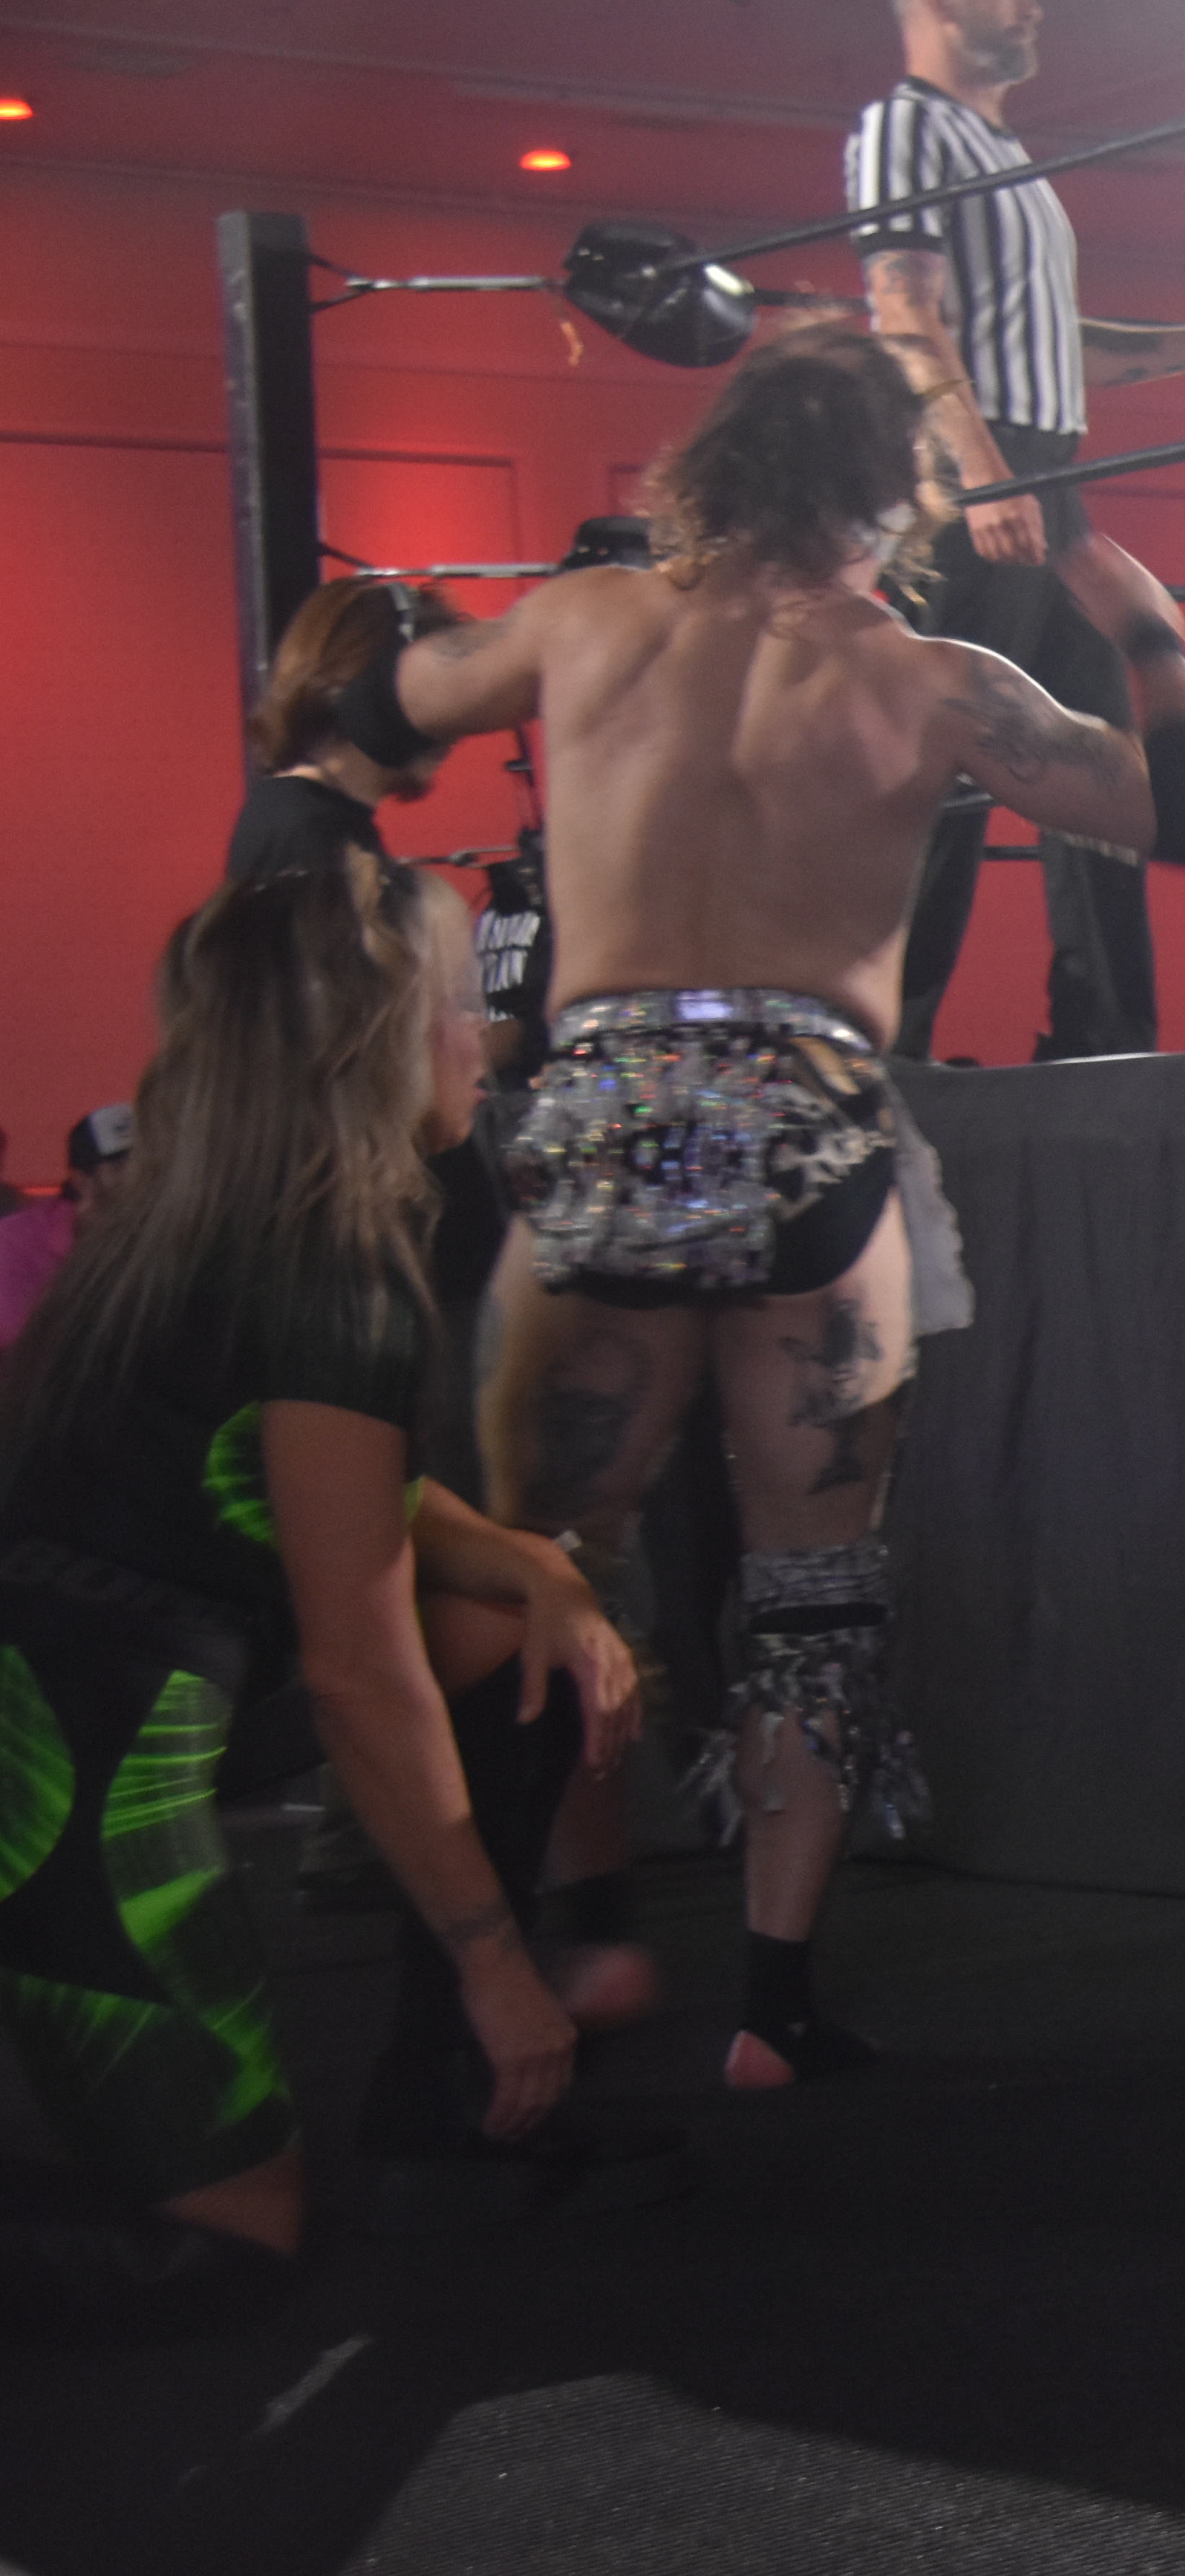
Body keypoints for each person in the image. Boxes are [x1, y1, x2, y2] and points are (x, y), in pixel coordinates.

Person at [339, 323, 1185, 2089]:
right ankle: (772, 2004)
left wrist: (386, 651)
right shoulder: (931, 677)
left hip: (604, 1118)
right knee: (814, 1589)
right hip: (807, 1132)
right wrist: (1147, 626)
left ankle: (567, 1944)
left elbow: (390, 704)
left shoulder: (589, 621)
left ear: (720, 462)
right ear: (887, 493)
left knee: (542, 1561)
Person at [0, 858, 662, 2330]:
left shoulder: (193, 1227)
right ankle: (456, 2071)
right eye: (460, 1007)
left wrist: (532, 1563)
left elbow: (324, 1489)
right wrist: (498, 1961)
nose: (481, 1041)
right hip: (68, 1762)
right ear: (381, 1041)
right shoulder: (330, 1273)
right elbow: (364, 1679)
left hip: (101, 1696)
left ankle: (441, 2112)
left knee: (508, 1626)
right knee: (228, 2244)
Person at [853, 0, 1185, 1060]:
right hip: (976, 479)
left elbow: (1047, 342)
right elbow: (905, 314)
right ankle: (893, 1047)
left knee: (1102, 758)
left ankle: (1107, 1039)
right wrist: (981, 472)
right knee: (953, 751)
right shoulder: (905, 128)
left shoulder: (1012, 160)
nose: (1031, 7)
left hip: (1046, 475)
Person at [226, 578, 465, 880]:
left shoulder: (308, 817)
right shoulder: (309, 832)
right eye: (426, 691)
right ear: (371, 689)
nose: (449, 727)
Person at [0, 1103, 128, 1350]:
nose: (140, 1177)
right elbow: (24, 1344)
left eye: (150, 1164)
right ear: (82, 1180)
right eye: (121, 1166)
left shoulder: (171, 1241)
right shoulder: (17, 1240)